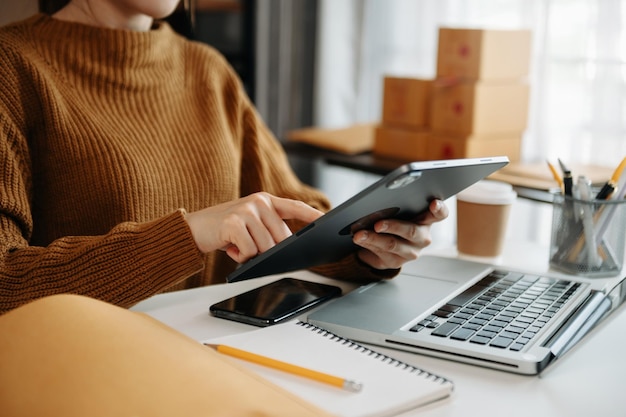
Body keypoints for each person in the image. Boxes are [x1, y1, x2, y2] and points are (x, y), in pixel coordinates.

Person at [0, 0, 448, 315]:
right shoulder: (13, 66)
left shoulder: (207, 69)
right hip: (89, 378)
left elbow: (294, 222)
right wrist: (189, 234)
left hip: (212, 355)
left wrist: (371, 246)